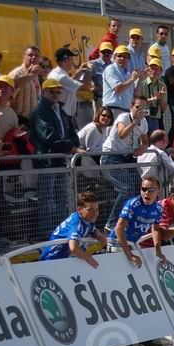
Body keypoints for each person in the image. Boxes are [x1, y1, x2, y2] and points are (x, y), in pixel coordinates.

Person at [29, 77, 81, 238]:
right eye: (52, 91)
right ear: (43, 92)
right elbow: (48, 136)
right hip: (47, 160)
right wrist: (70, 147)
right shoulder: (40, 111)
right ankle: (46, 231)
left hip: (61, 159)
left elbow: (71, 131)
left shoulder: (61, 110)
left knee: (62, 196)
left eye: (58, 91)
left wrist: (74, 145)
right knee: (47, 198)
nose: (56, 94)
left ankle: (61, 229)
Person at [101, 95, 149, 232]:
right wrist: (135, 122)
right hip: (111, 156)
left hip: (127, 156)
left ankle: (130, 219)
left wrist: (142, 148)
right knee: (126, 188)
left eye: (144, 108)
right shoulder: (123, 118)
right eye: (138, 107)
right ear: (131, 108)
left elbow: (145, 141)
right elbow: (122, 134)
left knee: (141, 186)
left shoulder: (144, 122)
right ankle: (111, 223)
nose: (140, 110)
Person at [107, 176, 166, 268]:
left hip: (132, 244)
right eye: (144, 189)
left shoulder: (159, 209)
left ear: (159, 191)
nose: (147, 193)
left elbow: (155, 229)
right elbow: (119, 228)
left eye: (151, 190)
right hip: (117, 243)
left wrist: (158, 250)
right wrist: (130, 255)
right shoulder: (133, 204)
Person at [40, 191, 106, 267]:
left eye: (96, 210)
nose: (95, 214)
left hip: (65, 260)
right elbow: (73, 248)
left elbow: (92, 229)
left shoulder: (87, 219)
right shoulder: (76, 223)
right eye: (90, 210)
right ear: (79, 210)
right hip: (51, 262)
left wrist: (98, 235)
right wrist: (88, 258)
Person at [48, 48, 93, 131]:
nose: (73, 62)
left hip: (61, 114)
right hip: (63, 115)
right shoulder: (61, 77)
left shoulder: (56, 73)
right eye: (72, 59)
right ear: (66, 60)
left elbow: (70, 83)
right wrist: (89, 71)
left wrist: (80, 72)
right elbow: (87, 87)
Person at [102, 45, 142, 119]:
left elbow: (135, 95)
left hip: (126, 111)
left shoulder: (128, 74)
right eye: (119, 56)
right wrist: (132, 79)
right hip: (112, 110)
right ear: (114, 57)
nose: (122, 58)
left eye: (125, 57)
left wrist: (141, 80)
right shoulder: (110, 69)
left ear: (128, 59)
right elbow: (118, 88)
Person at [8, 46, 42, 126]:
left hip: (33, 120)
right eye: (30, 55)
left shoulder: (35, 74)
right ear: (23, 57)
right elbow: (10, 98)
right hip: (20, 121)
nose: (33, 57)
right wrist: (14, 120)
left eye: (36, 56)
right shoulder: (17, 74)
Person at [77, 107, 114, 176]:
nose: (106, 118)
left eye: (109, 117)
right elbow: (90, 150)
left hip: (90, 159)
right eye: (103, 115)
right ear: (98, 115)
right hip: (78, 158)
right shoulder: (93, 129)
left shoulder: (104, 129)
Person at [140, 58, 169, 133]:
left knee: (154, 143)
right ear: (147, 69)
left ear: (161, 71)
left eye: (156, 69)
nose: (154, 71)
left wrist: (160, 98)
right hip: (142, 117)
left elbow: (163, 109)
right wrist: (154, 98)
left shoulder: (163, 85)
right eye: (151, 68)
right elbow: (138, 103)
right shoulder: (142, 83)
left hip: (155, 119)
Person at [89, 41, 114, 114]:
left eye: (108, 52)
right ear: (99, 52)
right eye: (104, 52)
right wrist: (94, 86)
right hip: (99, 98)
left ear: (112, 53)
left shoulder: (114, 66)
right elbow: (85, 79)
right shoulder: (93, 64)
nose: (106, 54)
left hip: (111, 99)